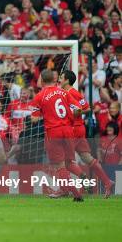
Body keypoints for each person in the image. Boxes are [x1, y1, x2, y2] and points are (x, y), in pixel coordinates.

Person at [29, 69, 84, 202]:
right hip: (68, 130)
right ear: (54, 80)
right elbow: (79, 109)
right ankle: (69, 187)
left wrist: (44, 112)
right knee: (69, 162)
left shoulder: (39, 96)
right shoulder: (64, 92)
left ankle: (77, 194)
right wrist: (70, 117)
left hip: (53, 131)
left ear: (41, 80)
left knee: (59, 165)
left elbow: (34, 120)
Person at [60, 70, 114, 198]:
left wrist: (73, 114)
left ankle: (77, 183)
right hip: (79, 129)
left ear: (67, 80)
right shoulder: (71, 93)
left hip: (74, 129)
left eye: (61, 78)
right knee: (86, 157)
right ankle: (107, 182)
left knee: (65, 162)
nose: (59, 80)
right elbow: (87, 108)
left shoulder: (72, 93)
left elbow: (86, 109)